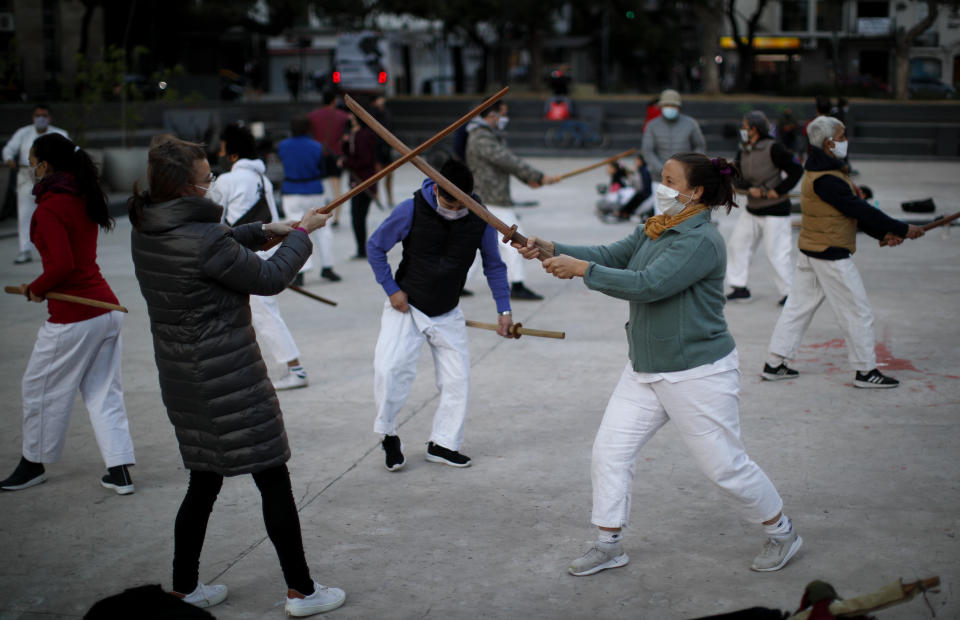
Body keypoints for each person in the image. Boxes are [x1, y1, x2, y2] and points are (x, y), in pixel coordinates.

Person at [513, 152, 802, 577]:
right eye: (661, 177)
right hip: (646, 366)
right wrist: (552, 249)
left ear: (695, 192)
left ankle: (783, 533)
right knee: (609, 452)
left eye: (669, 179)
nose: (660, 185)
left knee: (725, 467)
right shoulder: (657, 227)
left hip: (697, 372)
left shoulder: (700, 241)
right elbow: (612, 254)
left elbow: (649, 285)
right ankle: (609, 543)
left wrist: (581, 271)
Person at [128, 135, 344, 616]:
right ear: (185, 188)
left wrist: (268, 229)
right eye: (206, 181)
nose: (211, 188)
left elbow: (219, 246)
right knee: (273, 479)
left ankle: (184, 588)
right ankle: (303, 592)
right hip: (230, 379)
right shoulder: (204, 239)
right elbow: (267, 279)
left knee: (203, 481)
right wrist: (303, 235)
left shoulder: (146, 227)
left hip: (185, 380)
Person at [0, 133, 135, 494]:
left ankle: (32, 464)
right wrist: (42, 285)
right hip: (104, 309)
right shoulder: (79, 196)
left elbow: (62, 265)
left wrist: (38, 287)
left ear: (46, 166)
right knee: (104, 392)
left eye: (33, 162)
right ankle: (119, 470)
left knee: (39, 388)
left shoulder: (50, 207)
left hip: (76, 316)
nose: (31, 168)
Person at [366, 159, 514, 471]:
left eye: (463, 201)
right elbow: (375, 246)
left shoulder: (480, 217)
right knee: (390, 370)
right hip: (407, 306)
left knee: (458, 379)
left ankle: (443, 443)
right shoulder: (410, 209)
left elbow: (494, 265)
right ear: (436, 188)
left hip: (447, 310)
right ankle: (389, 435)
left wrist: (504, 309)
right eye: (450, 201)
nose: (456, 208)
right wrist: (391, 289)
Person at [762, 116, 924, 388]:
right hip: (829, 254)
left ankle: (775, 363)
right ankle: (865, 371)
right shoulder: (827, 178)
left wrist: (883, 234)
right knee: (856, 311)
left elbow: (847, 213)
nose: (846, 141)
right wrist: (902, 228)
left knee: (797, 309)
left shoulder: (820, 169)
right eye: (842, 136)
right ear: (828, 143)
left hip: (813, 250)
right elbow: (859, 210)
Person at [213, 123, 310, 391]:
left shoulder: (226, 181)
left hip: (238, 255)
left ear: (231, 153)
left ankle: (295, 368)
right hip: (260, 251)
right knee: (252, 314)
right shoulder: (262, 179)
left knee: (264, 314)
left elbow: (214, 221)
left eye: (223, 148)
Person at [465, 101, 558, 300]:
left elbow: (503, 164)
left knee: (479, 243)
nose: (504, 119)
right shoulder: (481, 137)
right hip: (491, 198)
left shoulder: (486, 135)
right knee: (515, 240)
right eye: (502, 114)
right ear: (491, 116)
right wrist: (537, 176)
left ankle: (458, 284)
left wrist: (530, 179)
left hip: (488, 196)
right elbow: (506, 160)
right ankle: (517, 284)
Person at [726, 111, 803, 305]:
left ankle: (789, 294)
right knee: (737, 246)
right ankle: (739, 288)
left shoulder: (774, 148)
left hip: (775, 211)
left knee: (777, 253)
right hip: (753, 209)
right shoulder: (743, 148)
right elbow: (735, 174)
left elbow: (796, 170)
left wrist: (778, 190)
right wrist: (746, 188)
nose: (742, 130)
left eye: (744, 126)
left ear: (754, 129)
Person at [277, 116, 341, 284]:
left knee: (295, 229)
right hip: (314, 190)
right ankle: (327, 266)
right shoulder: (317, 147)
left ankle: (301, 271)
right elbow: (323, 169)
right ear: (308, 129)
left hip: (292, 190)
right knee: (322, 230)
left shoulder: (283, 146)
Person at [2, 104, 69, 264]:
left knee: (53, 216)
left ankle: (56, 250)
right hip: (27, 178)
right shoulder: (23, 133)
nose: (41, 119)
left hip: (52, 181)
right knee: (25, 214)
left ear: (49, 118)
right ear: (33, 117)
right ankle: (25, 250)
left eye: (44, 115)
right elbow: (9, 149)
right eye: (38, 115)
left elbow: (71, 152)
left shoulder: (60, 134)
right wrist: (9, 159)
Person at [640, 89, 706, 211]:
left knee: (684, 217)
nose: (670, 108)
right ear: (661, 107)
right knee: (662, 219)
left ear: (678, 107)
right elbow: (647, 151)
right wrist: (664, 171)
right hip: (660, 180)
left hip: (685, 180)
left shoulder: (690, 124)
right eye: (666, 105)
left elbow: (700, 146)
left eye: (673, 105)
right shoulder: (652, 125)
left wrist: (691, 166)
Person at [308, 90, 350, 225]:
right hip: (335, 155)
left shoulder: (312, 116)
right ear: (334, 101)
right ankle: (336, 217)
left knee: (318, 185)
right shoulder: (343, 116)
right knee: (336, 187)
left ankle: (315, 216)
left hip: (317, 154)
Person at [341, 110, 379, 259]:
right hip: (362, 180)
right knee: (358, 216)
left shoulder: (363, 136)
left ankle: (362, 249)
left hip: (363, 180)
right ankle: (361, 248)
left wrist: (345, 162)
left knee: (358, 216)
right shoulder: (357, 133)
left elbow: (364, 160)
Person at [611, 153, 654, 222]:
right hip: (644, 192)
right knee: (634, 196)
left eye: (636, 160)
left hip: (645, 193)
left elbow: (642, 185)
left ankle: (623, 212)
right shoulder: (642, 170)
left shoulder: (643, 171)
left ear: (641, 161)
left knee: (636, 197)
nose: (635, 162)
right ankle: (623, 212)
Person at [370, 95, 395, 207]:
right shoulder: (373, 113)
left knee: (389, 175)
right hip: (376, 147)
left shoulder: (387, 112)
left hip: (386, 146)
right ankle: (377, 196)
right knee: (377, 174)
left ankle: (389, 197)